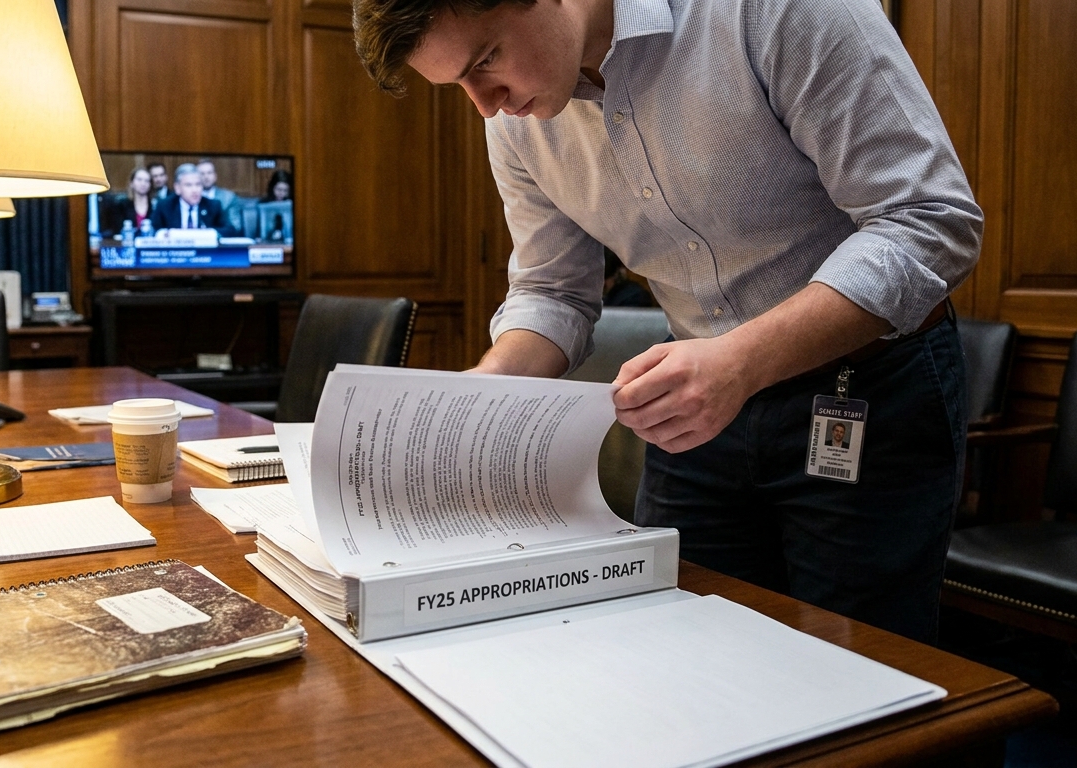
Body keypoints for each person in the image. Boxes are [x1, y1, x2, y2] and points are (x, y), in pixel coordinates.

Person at [353, 0, 981, 643]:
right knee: (679, 649)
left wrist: (739, 360)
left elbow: (929, 221)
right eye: (458, 83)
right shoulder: (517, 120)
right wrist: (481, 397)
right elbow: (553, 292)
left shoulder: (773, 11)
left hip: (867, 389)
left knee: (859, 672)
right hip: (697, 409)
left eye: (485, 61)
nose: (485, 105)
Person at [151, 163, 237, 235]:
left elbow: (230, 230)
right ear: (177, 188)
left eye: (198, 184)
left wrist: (207, 234)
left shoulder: (213, 206)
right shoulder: (165, 206)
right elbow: (153, 231)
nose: (195, 190)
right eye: (189, 185)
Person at [100, 166, 157, 237]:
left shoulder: (156, 206)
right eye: (139, 180)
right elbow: (117, 230)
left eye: (147, 181)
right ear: (131, 183)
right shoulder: (121, 206)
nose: (143, 183)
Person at [196, 158, 244, 234]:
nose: (206, 177)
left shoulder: (228, 198)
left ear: (215, 176)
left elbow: (235, 226)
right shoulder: (192, 197)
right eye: (202, 173)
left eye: (209, 173)